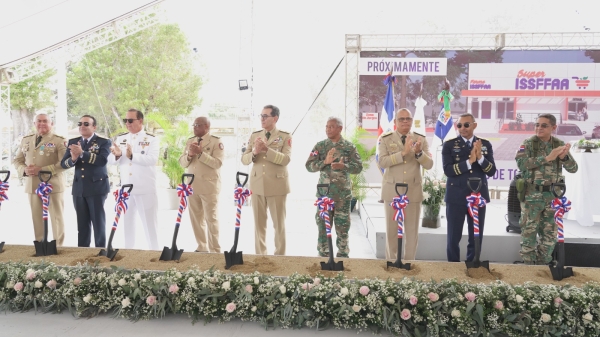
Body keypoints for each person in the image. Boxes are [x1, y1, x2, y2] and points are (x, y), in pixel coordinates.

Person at [515, 113, 578, 265]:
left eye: (544, 125)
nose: (539, 128)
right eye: (537, 125)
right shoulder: (528, 144)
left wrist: (563, 157)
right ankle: (529, 269)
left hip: (553, 197)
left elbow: (573, 168)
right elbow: (521, 164)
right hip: (532, 196)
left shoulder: (558, 144)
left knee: (549, 236)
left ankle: (543, 267)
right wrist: (547, 158)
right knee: (528, 233)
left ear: (553, 127)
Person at [377, 108, 433, 260]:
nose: (405, 122)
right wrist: (402, 153)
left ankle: (409, 265)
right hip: (392, 190)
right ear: (395, 122)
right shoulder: (386, 138)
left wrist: (419, 153)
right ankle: (391, 263)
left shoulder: (420, 139)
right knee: (392, 231)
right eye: (401, 119)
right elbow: (382, 161)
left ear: (411, 121)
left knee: (412, 232)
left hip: (412, 191)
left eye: (408, 119)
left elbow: (429, 164)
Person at [442, 113, 497, 262]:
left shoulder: (485, 145)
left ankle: (473, 265)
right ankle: (453, 267)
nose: (462, 128)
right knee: (453, 236)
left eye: (466, 125)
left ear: (474, 125)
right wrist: (469, 161)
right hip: (456, 197)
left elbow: (491, 171)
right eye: (459, 125)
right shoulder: (449, 145)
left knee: (476, 236)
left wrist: (479, 158)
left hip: (478, 196)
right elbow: (448, 170)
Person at [305, 117, 363, 257]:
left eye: (331, 127)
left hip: (342, 195)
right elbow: (309, 166)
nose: (328, 129)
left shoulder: (349, 147)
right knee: (323, 224)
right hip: (324, 194)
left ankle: (343, 252)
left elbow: (358, 167)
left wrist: (344, 166)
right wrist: (325, 162)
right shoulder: (320, 146)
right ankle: (323, 251)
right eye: (326, 126)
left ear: (340, 128)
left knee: (342, 225)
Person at [241, 105, 291, 255]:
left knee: (279, 225)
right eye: (261, 116)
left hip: (277, 185)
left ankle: (280, 256)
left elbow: (286, 160)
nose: (262, 119)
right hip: (257, 185)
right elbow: (244, 159)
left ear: (275, 118)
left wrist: (266, 150)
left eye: (265, 116)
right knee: (259, 225)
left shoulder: (285, 136)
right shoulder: (254, 135)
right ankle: (260, 256)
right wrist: (255, 152)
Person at [107, 109, 159, 250]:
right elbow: (111, 160)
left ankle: (154, 253)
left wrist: (132, 156)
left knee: (149, 225)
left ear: (140, 121)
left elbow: (152, 159)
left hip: (145, 188)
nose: (127, 123)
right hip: (126, 189)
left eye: (130, 120)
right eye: (126, 121)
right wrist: (117, 155)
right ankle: (128, 253)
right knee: (128, 224)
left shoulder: (151, 138)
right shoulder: (121, 138)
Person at [13, 113, 67, 246]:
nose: (41, 124)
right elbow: (17, 160)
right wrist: (24, 170)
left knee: (56, 218)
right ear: (34, 124)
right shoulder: (26, 140)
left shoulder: (59, 140)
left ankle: (58, 247)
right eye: (39, 121)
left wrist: (42, 169)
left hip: (52, 185)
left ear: (51, 124)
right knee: (37, 218)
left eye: (45, 121)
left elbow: (64, 164)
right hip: (32, 184)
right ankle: (40, 246)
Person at [60, 115, 111, 248]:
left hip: (96, 187)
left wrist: (83, 153)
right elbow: (64, 164)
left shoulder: (103, 142)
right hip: (79, 188)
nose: (82, 126)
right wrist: (74, 158)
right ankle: (82, 252)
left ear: (94, 127)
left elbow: (102, 161)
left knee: (98, 223)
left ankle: (100, 251)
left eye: (86, 124)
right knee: (82, 224)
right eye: (80, 123)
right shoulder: (73, 141)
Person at [179, 116, 224, 253]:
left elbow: (217, 163)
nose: (194, 127)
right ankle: (202, 246)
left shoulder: (216, 142)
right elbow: (182, 162)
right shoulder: (190, 141)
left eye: (198, 125)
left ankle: (215, 249)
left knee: (211, 218)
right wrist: (189, 155)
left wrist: (201, 154)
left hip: (209, 186)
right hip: (192, 186)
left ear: (206, 126)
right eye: (194, 125)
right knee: (196, 219)